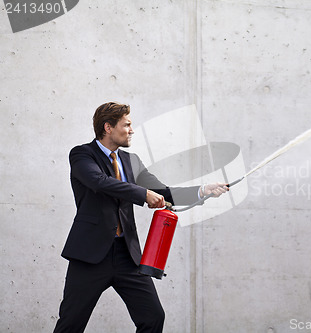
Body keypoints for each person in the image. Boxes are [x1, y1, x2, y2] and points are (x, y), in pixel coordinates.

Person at [54, 102, 228, 332]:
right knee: (70, 325)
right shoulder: (82, 155)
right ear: (108, 127)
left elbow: (163, 192)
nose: (132, 130)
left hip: (128, 256)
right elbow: (100, 182)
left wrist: (202, 190)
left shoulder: (131, 161)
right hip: (90, 255)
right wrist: (143, 194)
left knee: (153, 318)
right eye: (127, 125)